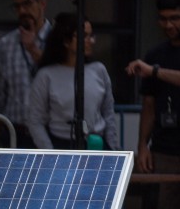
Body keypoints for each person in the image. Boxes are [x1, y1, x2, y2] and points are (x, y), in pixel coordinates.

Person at [126, 0, 180, 209]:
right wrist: (142, 144)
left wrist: (155, 71)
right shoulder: (156, 52)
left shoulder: (154, 65)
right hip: (166, 150)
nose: (169, 25)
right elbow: (148, 105)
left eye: (175, 18)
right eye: (163, 19)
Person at [26, 12, 118, 150]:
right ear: (66, 41)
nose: (90, 41)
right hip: (62, 145)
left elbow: (108, 113)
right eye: (84, 36)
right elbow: (35, 120)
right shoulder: (46, 76)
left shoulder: (99, 70)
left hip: (97, 144)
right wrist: (50, 153)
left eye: (91, 35)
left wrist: (113, 148)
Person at [0, 0, 51, 148]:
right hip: (15, 132)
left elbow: (60, 77)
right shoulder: (5, 45)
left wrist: (32, 49)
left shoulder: (59, 40)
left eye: (28, 4)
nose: (22, 11)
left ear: (42, 4)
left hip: (50, 132)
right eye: (17, 7)